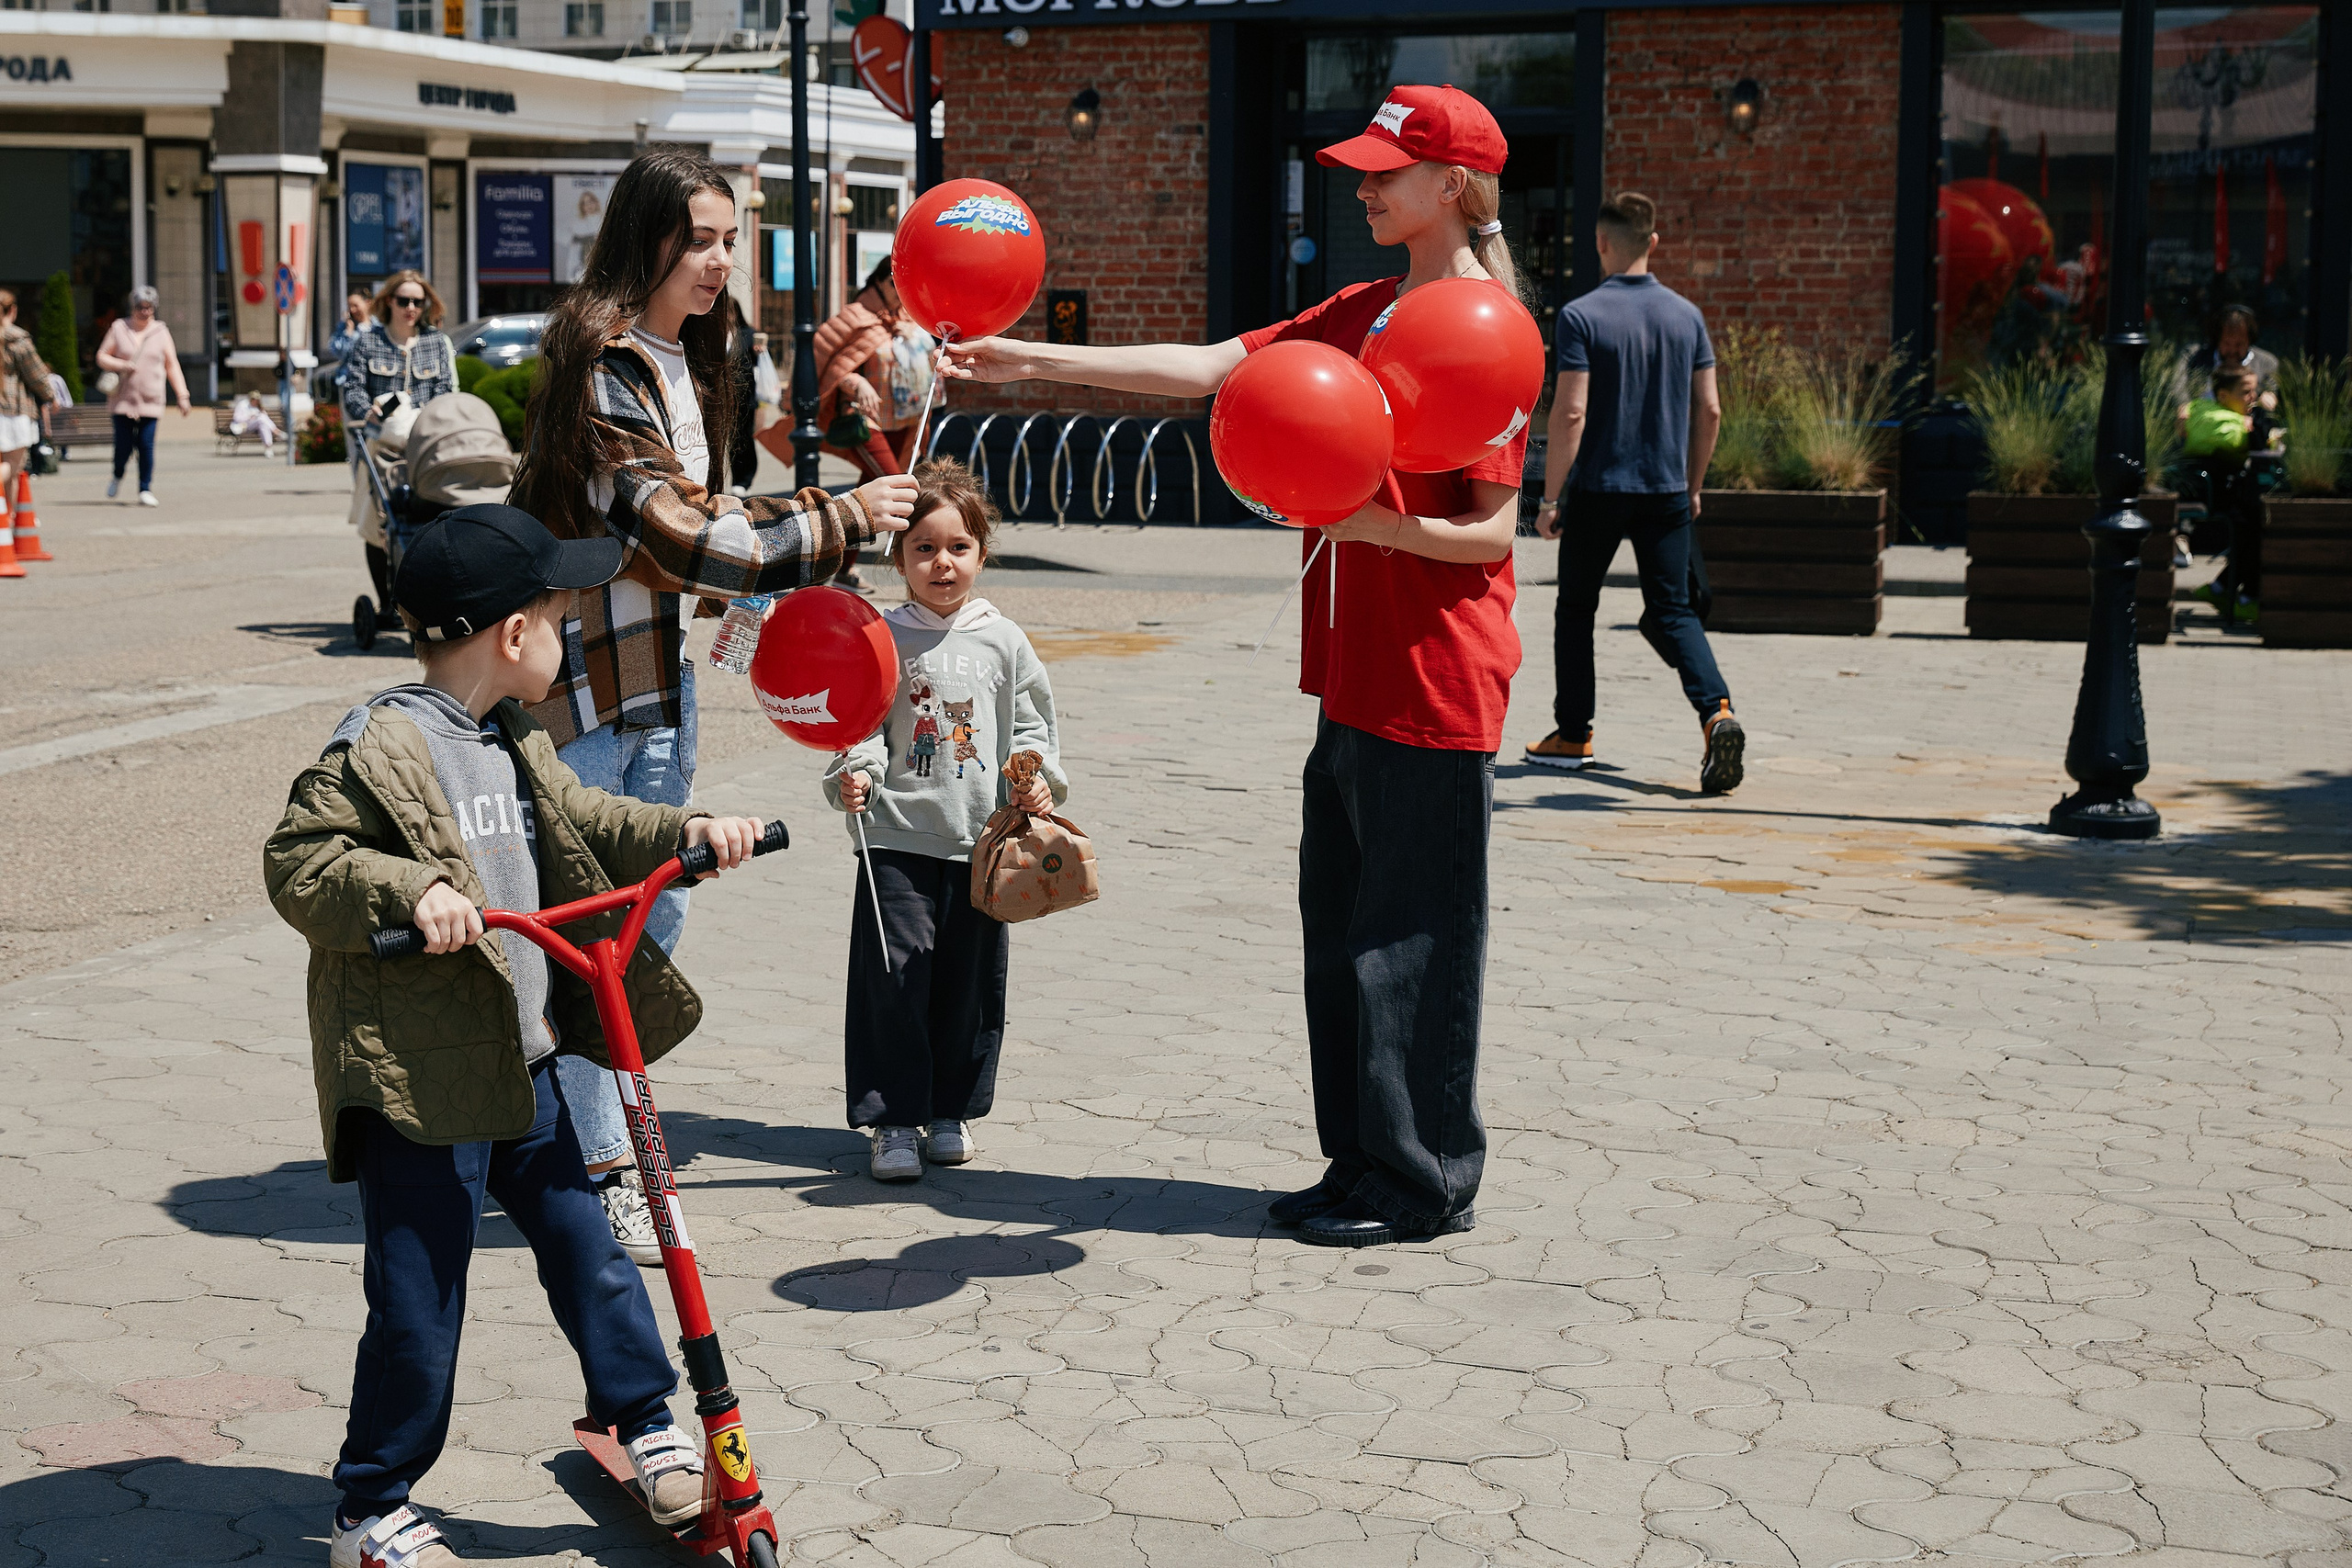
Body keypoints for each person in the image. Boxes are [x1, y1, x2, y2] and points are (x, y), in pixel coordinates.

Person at [944, 84, 1527, 1247]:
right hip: (1354, 674)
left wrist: (1379, 530)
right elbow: (1212, 366)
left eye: (1385, 172)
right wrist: (1030, 361)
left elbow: (1496, 535)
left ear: (1451, 185)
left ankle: (1422, 1181)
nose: (1363, 187)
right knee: (1342, 937)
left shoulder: (1487, 332)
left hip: (1436, 678)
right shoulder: (1363, 309)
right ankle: (1360, 1159)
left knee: (1412, 942)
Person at [262, 502, 768, 1568]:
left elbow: (587, 820)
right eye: (560, 613)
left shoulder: (511, 735)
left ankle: (644, 1421)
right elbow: (299, 862)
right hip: (422, 1089)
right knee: (419, 1304)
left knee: (593, 1254)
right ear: (510, 633)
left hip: (524, 1061)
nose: (572, 632)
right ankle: (371, 1503)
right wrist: (411, 891)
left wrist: (688, 831)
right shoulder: (381, 745)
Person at [507, 146, 917, 1264]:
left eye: (730, 238)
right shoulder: (602, 365)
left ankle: (573, 1145)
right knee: (603, 943)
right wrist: (840, 517)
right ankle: (603, 1172)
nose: (719, 260)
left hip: (658, 689)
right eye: (698, 237)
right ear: (643, 238)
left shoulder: (690, 356)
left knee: (642, 931)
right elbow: (682, 534)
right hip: (589, 694)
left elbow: (712, 510)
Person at [822, 459, 1064, 1182]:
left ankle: (951, 1109)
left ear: (983, 552)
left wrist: (1038, 782)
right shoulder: (882, 635)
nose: (942, 562)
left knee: (968, 981)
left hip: (983, 843)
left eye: (958, 546)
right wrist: (854, 775)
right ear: (897, 557)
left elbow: (1032, 725)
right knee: (894, 979)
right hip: (895, 837)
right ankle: (894, 1119)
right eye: (923, 548)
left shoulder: (1005, 639)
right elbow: (859, 722)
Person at [1525, 191, 1743, 795]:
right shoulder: (1687, 316)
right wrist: (1693, 486)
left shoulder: (1582, 315)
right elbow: (1711, 410)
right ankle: (1716, 712)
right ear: (1653, 243)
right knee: (1672, 609)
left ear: (1600, 244)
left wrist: (1550, 500)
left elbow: (1570, 413)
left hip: (1597, 488)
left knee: (1576, 610)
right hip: (1665, 488)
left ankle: (1573, 735)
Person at [781, 254, 940, 588]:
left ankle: (841, 569)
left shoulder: (909, 317)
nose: (900, 292)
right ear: (878, 281)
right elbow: (830, 362)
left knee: (867, 496)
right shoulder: (856, 316)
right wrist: (856, 382)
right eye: (895, 284)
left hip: (903, 420)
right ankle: (915, 571)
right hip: (866, 423)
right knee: (900, 489)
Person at [2182, 365, 2278, 625]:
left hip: (2233, 493)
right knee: (2257, 523)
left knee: (2257, 521)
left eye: (2255, 391)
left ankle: (2223, 589)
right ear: (2223, 395)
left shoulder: (2218, 412)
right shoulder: (2209, 416)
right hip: (2218, 495)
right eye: (2246, 392)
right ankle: (2245, 597)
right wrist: (2260, 417)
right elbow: (2249, 440)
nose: (2253, 397)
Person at [96, 286, 193, 507]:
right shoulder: (119, 328)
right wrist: (122, 364)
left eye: (149, 308)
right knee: (123, 446)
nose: (145, 312)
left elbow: (172, 365)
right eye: (141, 307)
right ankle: (117, 474)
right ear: (133, 307)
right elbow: (101, 356)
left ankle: (145, 488)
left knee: (146, 445)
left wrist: (182, 395)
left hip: (151, 399)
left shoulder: (161, 331)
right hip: (123, 399)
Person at [0, 288, 57, 519]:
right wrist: (51, 396)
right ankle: (10, 524)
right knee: (13, 467)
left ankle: (8, 523)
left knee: (12, 473)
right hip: (13, 408)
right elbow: (36, 374)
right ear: (13, 311)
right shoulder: (18, 339)